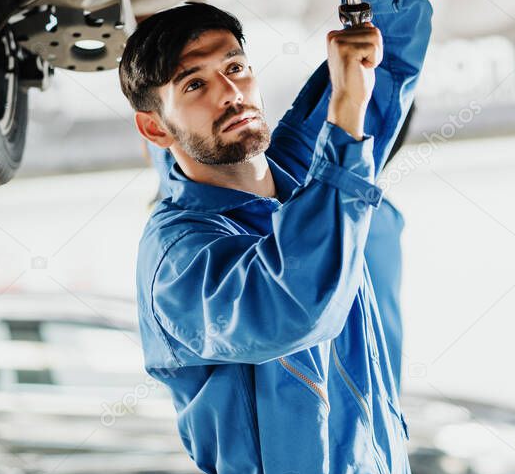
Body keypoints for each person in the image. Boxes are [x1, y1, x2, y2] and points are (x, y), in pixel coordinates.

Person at [119, 0, 432, 474]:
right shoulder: (177, 258)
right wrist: (344, 119)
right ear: (156, 127)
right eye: (195, 85)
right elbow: (296, 305)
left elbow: (390, 55)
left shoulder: (293, 172)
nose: (229, 92)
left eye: (235, 66)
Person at [142, 104, 414, 393]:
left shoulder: (348, 218)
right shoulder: (382, 221)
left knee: (186, 154)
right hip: (370, 404)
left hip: (321, 396)